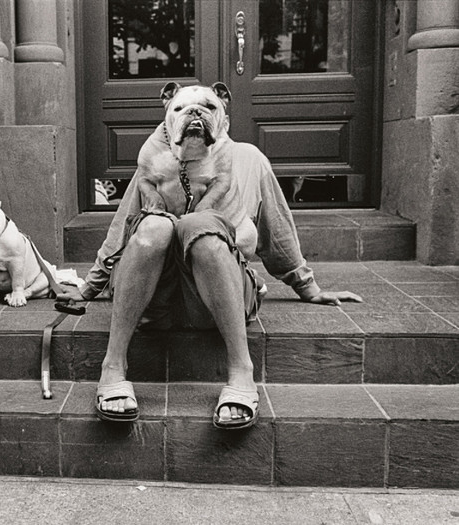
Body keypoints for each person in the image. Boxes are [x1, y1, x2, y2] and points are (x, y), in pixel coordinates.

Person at [58, 82, 362, 429]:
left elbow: (276, 229)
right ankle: (113, 364)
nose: (195, 116)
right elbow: (123, 227)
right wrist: (89, 287)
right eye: (184, 109)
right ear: (168, 120)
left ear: (225, 120)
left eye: (208, 108)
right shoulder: (158, 159)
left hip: (216, 294)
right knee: (154, 228)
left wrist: (307, 287)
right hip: (154, 299)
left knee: (204, 229)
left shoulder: (248, 159)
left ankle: (241, 371)